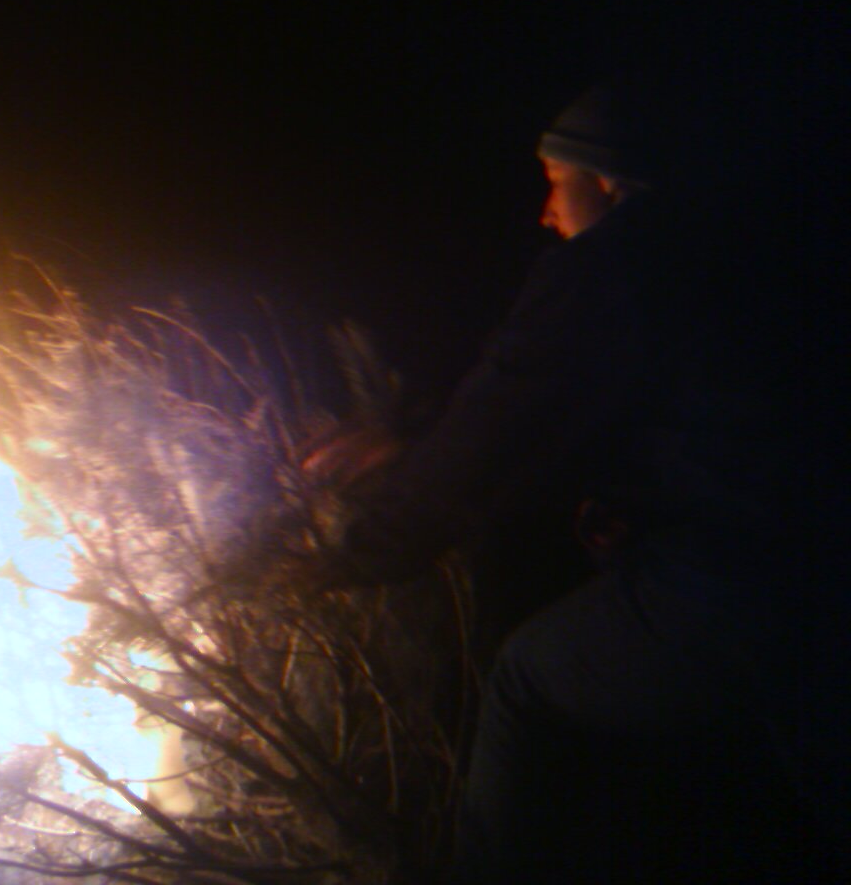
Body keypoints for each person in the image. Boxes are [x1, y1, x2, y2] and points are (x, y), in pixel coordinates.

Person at [306, 72, 849, 882]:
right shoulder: (740, 246)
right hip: (808, 556)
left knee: (526, 681)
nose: (546, 212)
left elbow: (495, 433)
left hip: (744, 578)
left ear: (609, 181)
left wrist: (345, 559)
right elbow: (571, 398)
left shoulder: (609, 269)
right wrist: (413, 440)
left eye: (557, 185)